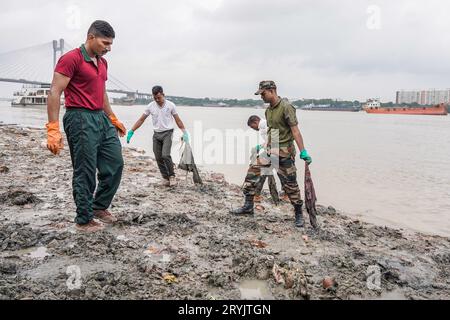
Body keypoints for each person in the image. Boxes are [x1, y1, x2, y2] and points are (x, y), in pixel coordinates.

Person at [46, 20, 126, 233]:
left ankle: (99, 206)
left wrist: (113, 117)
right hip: (80, 117)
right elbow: (55, 92)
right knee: (85, 170)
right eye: (105, 42)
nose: (108, 48)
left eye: (111, 44)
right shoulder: (71, 59)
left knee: (115, 162)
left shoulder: (102, 62)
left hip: (101, 117)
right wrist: (53, 128)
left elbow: (103, 92)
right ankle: (84, 219)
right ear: (91, 37)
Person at [231, 81, 312, 228]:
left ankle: (299, 213)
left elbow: (295, 131)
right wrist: (264, 146)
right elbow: (271, 132)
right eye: (260, 94)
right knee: (252, 172)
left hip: (285, 151)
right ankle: (248, 206)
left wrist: (303, 151)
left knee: (290, 184)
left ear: (272, 90)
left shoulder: (286, 107)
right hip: (271, 149)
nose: (261, 96)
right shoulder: (268, 111)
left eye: (263, 93)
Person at [126, 85, 189, 187]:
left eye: (159, 97)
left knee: (165, 155)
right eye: (155, 98)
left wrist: (184, 133)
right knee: (158, 157)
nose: (157, 100)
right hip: (156, 135)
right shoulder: (150, 106)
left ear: (163, 94)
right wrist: (131, 131)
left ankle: (172, 176)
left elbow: (178, 120)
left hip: (168, 133)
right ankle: (165, 178)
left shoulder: (171, 105)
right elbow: (141, 119)